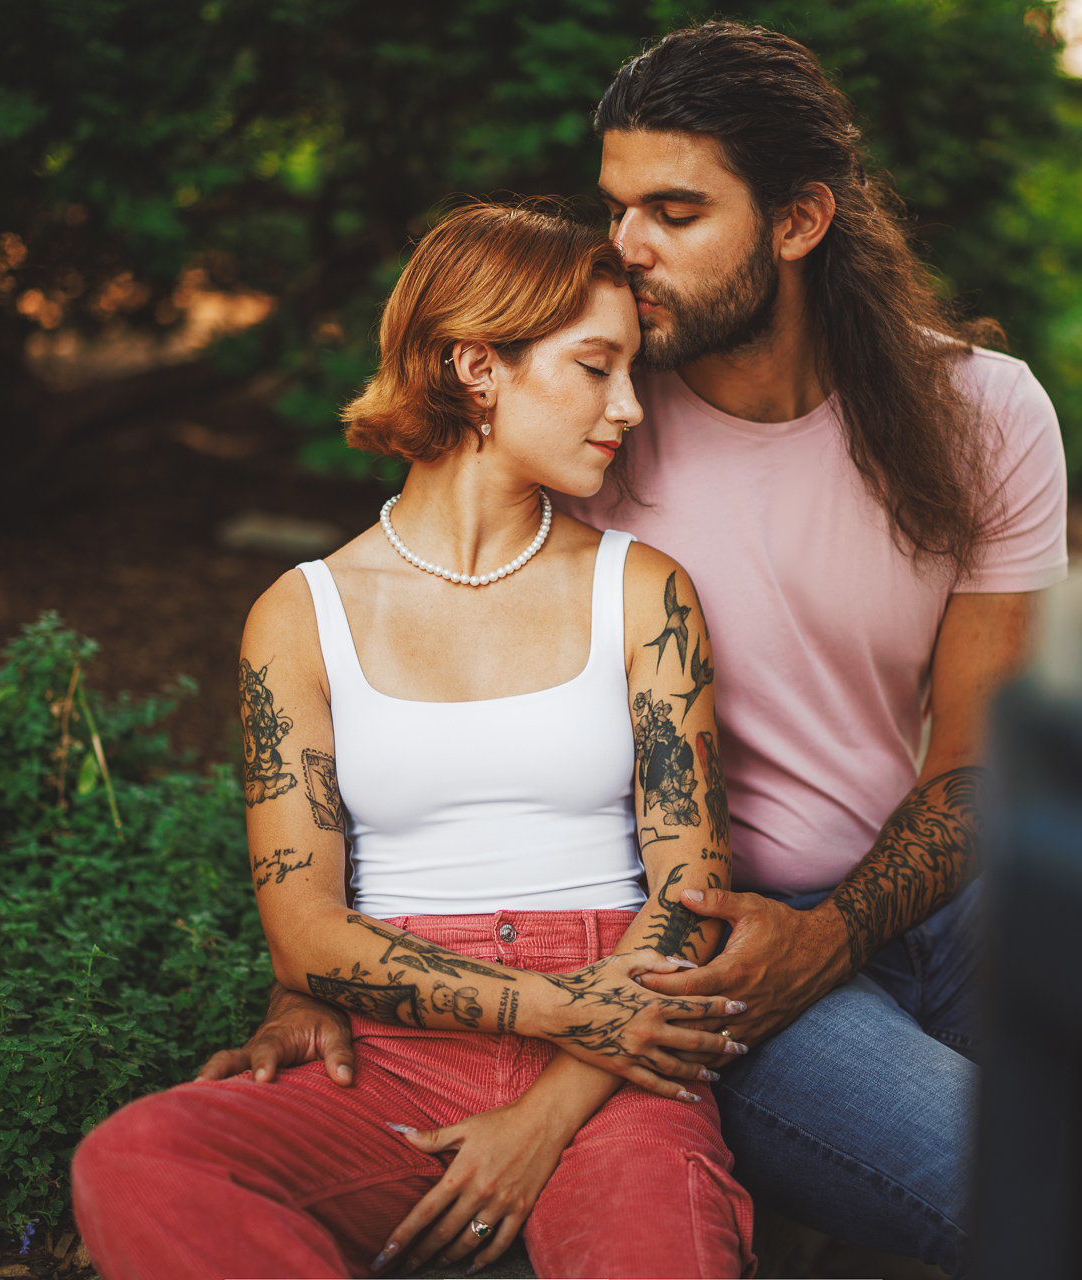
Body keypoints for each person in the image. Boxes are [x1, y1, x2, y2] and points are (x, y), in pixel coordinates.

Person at [201, 23, 1069, 1277]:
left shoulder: (984, 412)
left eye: (673, 210)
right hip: (708, 942)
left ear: (799, 221)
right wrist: (319, 971)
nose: (626, 250)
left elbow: (979, 767)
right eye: (616, 209)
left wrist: (836, 935)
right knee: (1039, 1192)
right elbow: (405, 645)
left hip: (926, 895)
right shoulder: (598, 421)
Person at [71, 202, 760, 1279]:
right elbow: (304, 936)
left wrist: (552, 1101)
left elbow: (690, 897)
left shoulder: (643, 592)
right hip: (393, 1051)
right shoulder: (301, 614)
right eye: (595, 367)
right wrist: (552, 1011)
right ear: (476, 366)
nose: (629, 405)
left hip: (621, 1036)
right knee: (140, 1157)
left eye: (634, 370)